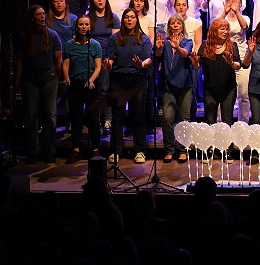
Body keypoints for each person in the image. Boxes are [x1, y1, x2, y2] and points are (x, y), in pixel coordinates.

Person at [103, 8, 153, 163]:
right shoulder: (114, 38)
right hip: (118, 79)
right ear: (123, 20)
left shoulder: (144, 39)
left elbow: (148, 59)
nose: (129, 20)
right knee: (117, 116)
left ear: (136, 20)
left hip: (138, 79)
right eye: (127, 17)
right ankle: (116, 151)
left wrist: (141, 65)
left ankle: (140, 151)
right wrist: (108, 66)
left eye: (132, 17)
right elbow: (110, 59)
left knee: (138, 116)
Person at [15, 5, 63, 163]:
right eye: (39, 14)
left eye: (43, 14)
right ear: (32, 18)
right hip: (30, 78)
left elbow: (58, 60)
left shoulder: (52, 35)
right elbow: (19, 61)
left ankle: (49, 151)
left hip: (49, 77)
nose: (42, 17)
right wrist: (17, 82)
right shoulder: (24, 37)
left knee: (50, 115)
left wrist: (61, 78)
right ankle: (33, 151)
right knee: (30, 115)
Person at [155, 14, 195, 163]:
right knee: (167, 119)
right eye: (173, 23)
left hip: (185, 86)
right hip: (168, 86)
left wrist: (177, 47)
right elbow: (157, 57)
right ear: (169, 26)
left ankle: (183, 150)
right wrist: (158, 49)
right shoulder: (164, 42)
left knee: (184, 119)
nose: (175, 25)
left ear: (182, 26)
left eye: (178, 23)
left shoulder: (187, 41)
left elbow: (185, 54)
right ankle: (169, 150)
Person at [62, 15, 103, 162]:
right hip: (75, 84)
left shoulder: (95, 45)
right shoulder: (69, 45)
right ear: (77, 27)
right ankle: (76, 149)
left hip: (91, 85)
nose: (84, 27)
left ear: (90, 27)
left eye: (86, 24)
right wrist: (66, 76)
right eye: (81, 24)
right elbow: (66, 63)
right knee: (76, 117)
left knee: (93, 118)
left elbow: (98, 66)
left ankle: (96, 149)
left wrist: (91, 79)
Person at [194, 19, 241, 126]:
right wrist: (195, 63)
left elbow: (238, 65)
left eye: (227, 29)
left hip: (228, 89)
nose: (225, 32)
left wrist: (231, 63)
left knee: (227, 120)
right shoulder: (205, 46)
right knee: (210, 121)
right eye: (222, 29)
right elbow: (197, 66)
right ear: (214, 30)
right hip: (210, 89)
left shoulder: (232, 45)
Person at [217, 0, 250, 123]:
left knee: (243, 94)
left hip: (241, 57)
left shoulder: (244, 17)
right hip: (224, 56)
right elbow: (215, 27)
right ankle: (221, 123)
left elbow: (244, 27)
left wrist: (236, 12)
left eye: (236, 1)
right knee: (222, 92)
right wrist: (225, 12)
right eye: (230, 0)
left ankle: (243, 123)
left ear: (241, 5)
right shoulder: (222, 18)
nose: (233, 3)